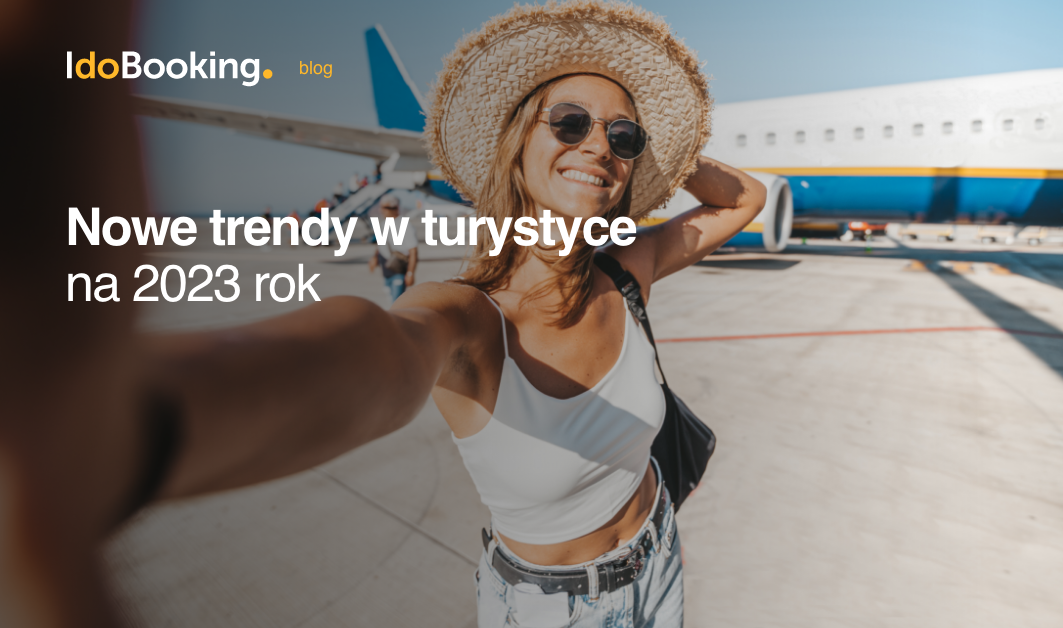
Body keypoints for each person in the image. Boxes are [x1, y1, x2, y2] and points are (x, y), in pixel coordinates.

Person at [143, 2, 765, 627]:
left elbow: (746, 200)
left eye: (622, 136)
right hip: (559, 609)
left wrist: (659, 144)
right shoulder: (469, 317)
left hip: (659, 554)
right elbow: (380, 346)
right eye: (570, 123)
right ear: (517, 145)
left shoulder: (626, 272)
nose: (599, 145)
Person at [367, 195, 419, 301]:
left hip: (398, 271)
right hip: (386, 271)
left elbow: (413, 251)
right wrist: (375, 257)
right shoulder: (383, 224)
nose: (381, 211)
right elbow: (380, 244)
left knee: (396, 304)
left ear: (395, 208)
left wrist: (410, 273)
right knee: (391, 300)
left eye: (384, 208)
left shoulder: (405, 225)